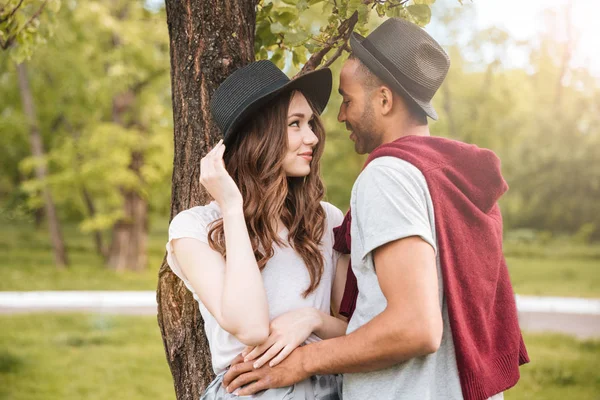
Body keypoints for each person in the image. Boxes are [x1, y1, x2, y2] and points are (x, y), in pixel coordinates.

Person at [223, 18, 529, 400]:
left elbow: (416, 327)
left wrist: (301, 362)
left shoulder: (388, 176)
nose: (338, 117)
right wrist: (315, 318)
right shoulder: (448, 176)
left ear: (384, 100)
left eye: (348, 100)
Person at [165, 60, 350, 399]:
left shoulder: (325, 220)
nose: (311, 137)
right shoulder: (194, 229)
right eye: (295, 124)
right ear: (259, 137)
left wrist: (312, 320)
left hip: (327, 389)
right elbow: (250, 327)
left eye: (310, 123)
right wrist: (233, 209)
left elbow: (356, 332)